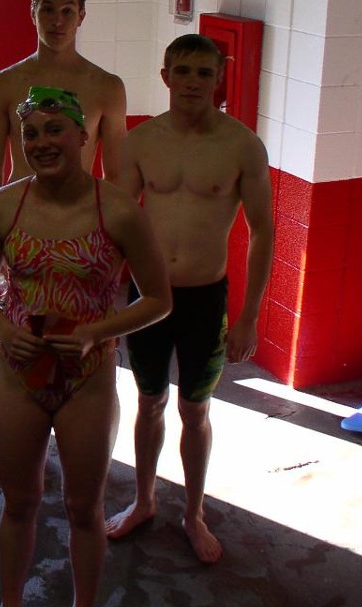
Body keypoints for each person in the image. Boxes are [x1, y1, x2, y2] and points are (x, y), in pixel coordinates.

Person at [0, 86, 171, 607]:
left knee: (84, 508)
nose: (41, 143)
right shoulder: (3, 207)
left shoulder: (119, 210)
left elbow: (158, 299)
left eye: (54, 129)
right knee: (19, 502)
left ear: (83, 135)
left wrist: (95, 332)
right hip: (19, 373)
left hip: (88, 376)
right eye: (30, 133)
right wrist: (4, 331)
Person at [104, 33, 274, 564]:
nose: (193, 82)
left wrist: (248, 317)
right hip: (148, 295)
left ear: (219, 78)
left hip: (205, 300)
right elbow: (117, 223)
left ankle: (194, 514)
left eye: (204, 72)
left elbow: (264, 231)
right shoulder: (142, 142)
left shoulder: (242, 146)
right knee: (149, 401)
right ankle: (144, 500)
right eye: (183, 71)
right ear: (166, 77)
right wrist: (107, 302)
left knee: (195, 409)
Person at [0, 0, 128, 191]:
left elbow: (116, 174)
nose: (57, 21)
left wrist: (109, 212)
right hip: (19, 205)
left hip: (78, 206)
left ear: (81, 17)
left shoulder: (106, 86)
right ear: (33, 13)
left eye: (67, 11)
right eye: (48, 10)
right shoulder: (4, 83)